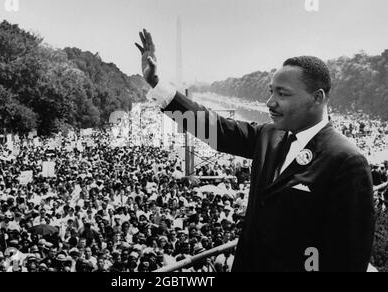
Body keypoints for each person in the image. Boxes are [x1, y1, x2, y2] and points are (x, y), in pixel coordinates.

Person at [135, 29, 375, 272]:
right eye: (271, 91)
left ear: (317, 98)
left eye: (282, 94)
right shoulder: (269, 135)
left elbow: (348, 258)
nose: (270, 102)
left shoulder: (347, 160)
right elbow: (214, 129)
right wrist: (157, 84)